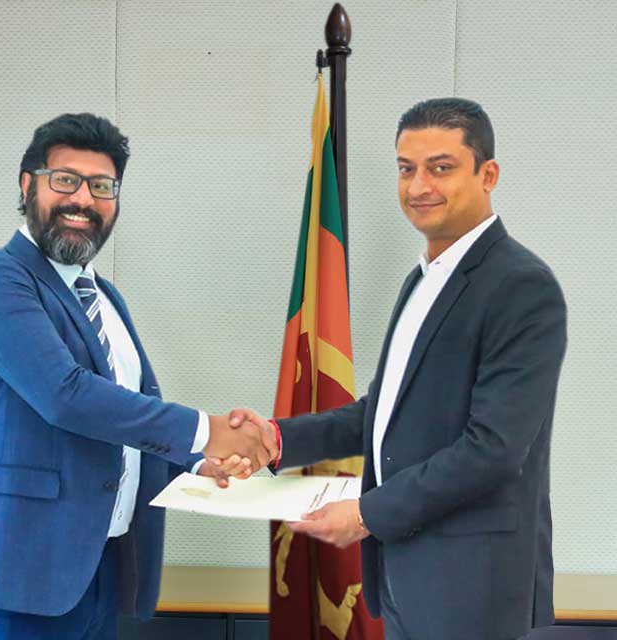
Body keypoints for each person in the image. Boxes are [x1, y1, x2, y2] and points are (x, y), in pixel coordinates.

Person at [0, 112, 277, 639]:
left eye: (101, 186)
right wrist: (208, 430)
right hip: (12, 577)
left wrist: (194, 464)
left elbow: (119, 419)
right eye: (66, 180)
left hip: (96, 570)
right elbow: (66, 396)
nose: (83, 199)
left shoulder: (103, 296)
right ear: (27, 185)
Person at [236, 98, 567, 640]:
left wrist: (366, 514)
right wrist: (277, 440)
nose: (418, 187)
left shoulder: (521, 286)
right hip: (405, 572)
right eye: (406, 168)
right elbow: (385, 411)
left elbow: (493, 449)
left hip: (472, 587)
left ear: (488, 175)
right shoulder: (422, 279)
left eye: (441, 168)